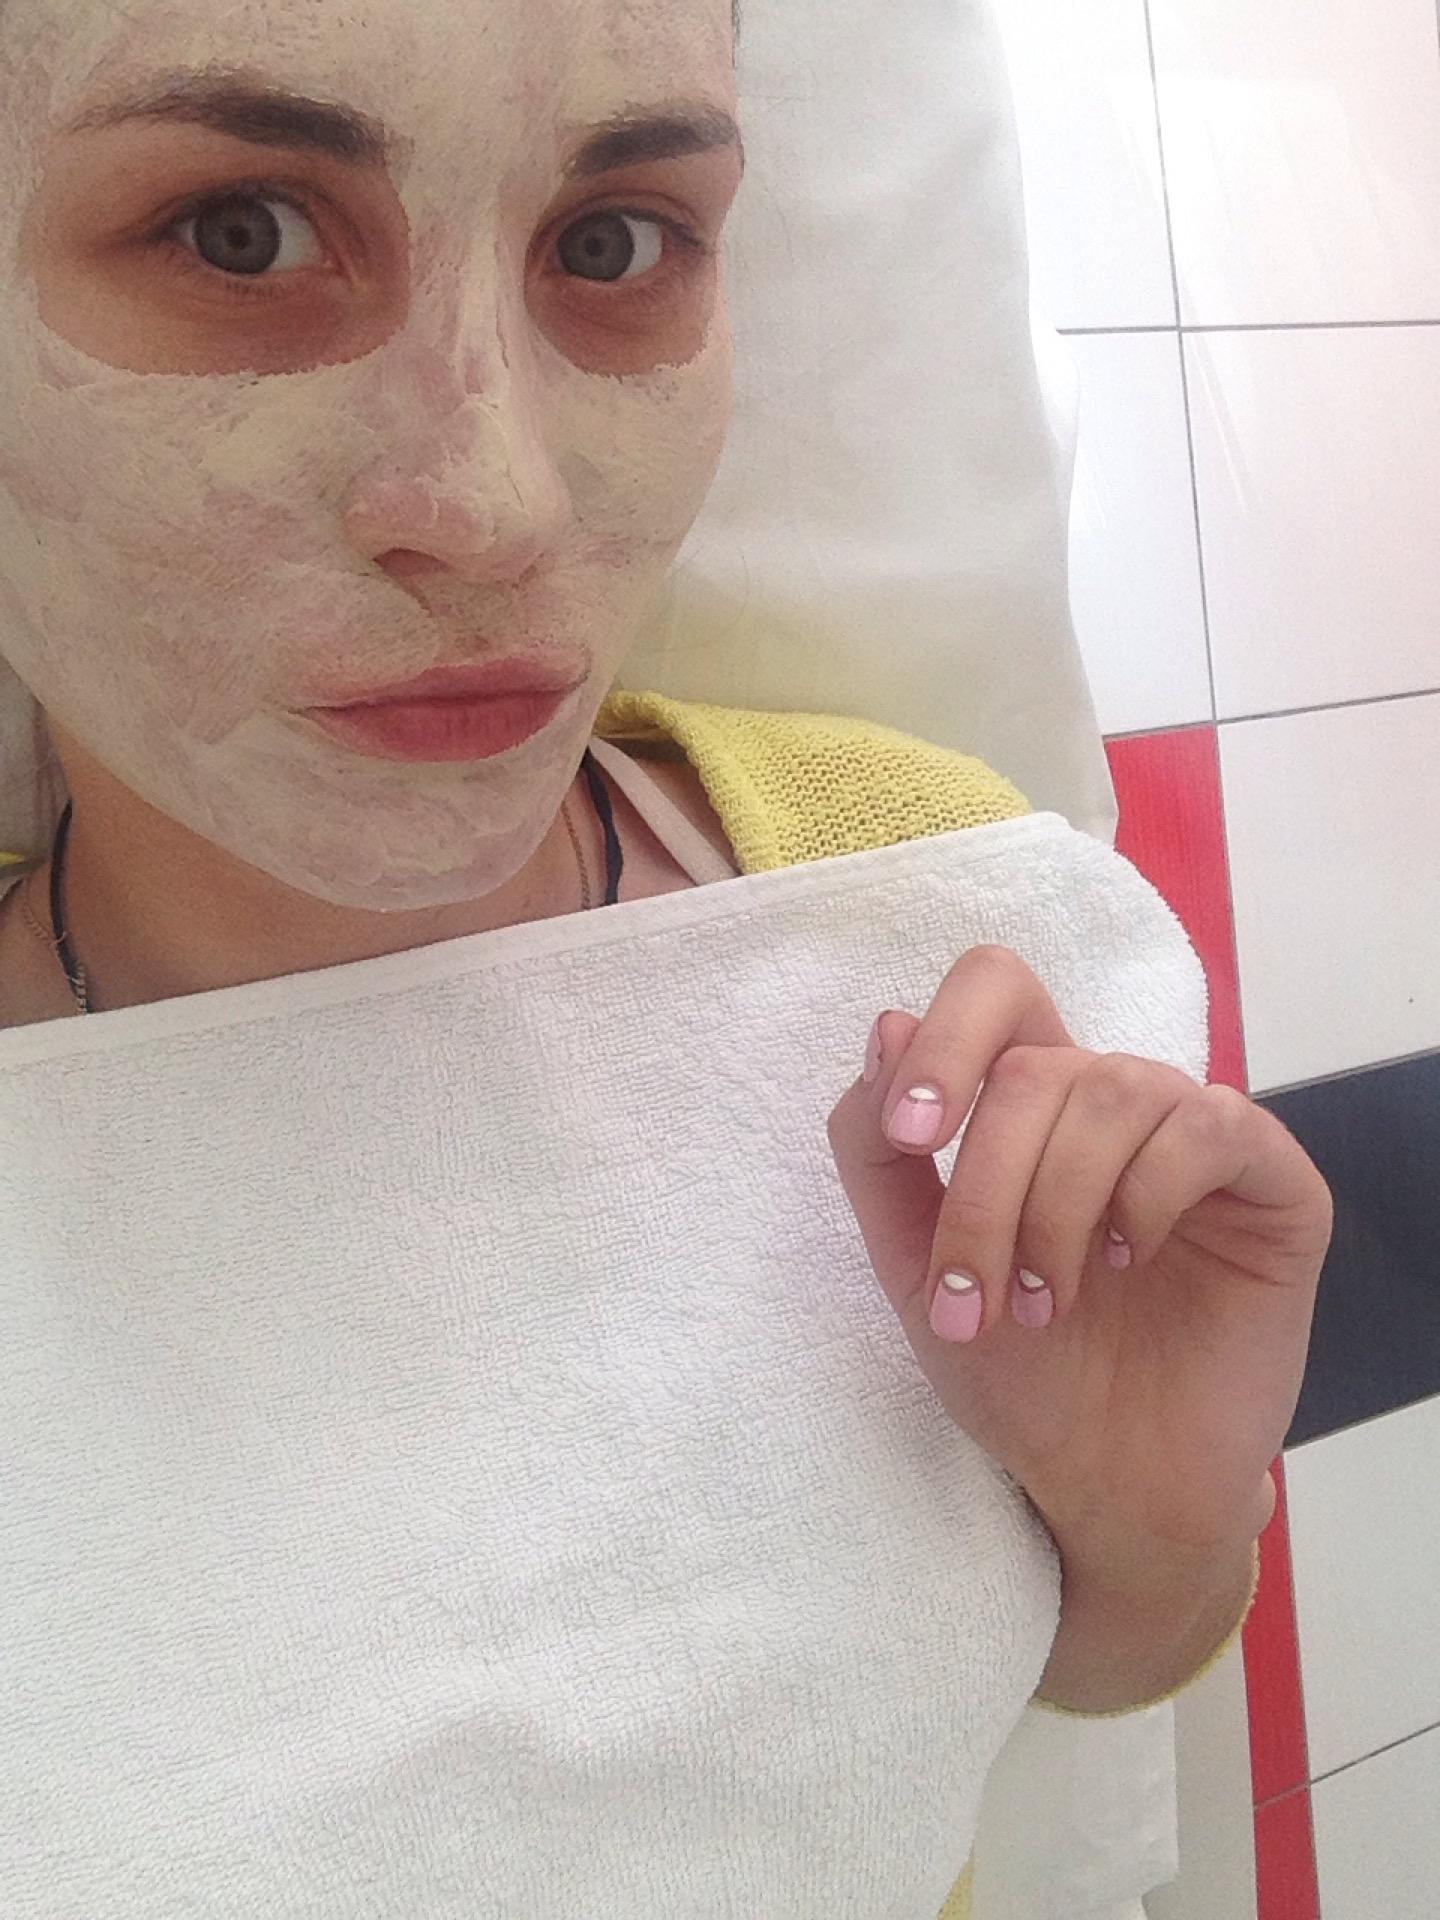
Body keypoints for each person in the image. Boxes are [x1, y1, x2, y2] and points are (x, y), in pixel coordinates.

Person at [0, 2, 1333, 1914]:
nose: (499, 509)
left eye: (615, 242)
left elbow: (1063, 1679)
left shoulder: (939, 919)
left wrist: (1161, 1521)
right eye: (242, 234)